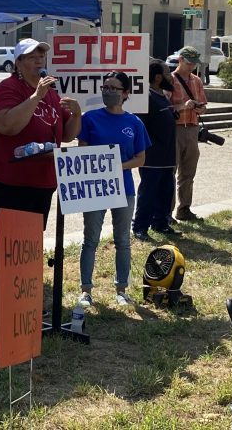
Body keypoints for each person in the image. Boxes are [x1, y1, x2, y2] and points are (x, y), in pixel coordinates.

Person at [0, 38, 82, 230]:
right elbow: (6, 126)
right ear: (18, 62)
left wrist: (77, 115)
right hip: (10, 181)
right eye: (31, 57)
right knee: (13, 242)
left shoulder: (50, 93)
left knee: (32, 243)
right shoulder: (8, 89)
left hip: (42, 182)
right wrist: (36, 97)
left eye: (41, 56)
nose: (39, 61)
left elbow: (67, 136)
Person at [77, 72, 150, 308]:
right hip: (95, 188)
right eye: (105, 87)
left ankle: (121, 289)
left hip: (124, 188)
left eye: (114, 88)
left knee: (123, 240)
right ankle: (86, 290)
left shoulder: (134, 123)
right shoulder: (90, 119)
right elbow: (83, 151)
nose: (108, 91)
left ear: (125, 93)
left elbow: (140, 159)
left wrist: (117, 165)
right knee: (90, 240)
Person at [132, 61, 180, 240]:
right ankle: (140, 227)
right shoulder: (146, 97)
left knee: (165, 192)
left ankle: (160, 223)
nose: (171, 77)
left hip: (168, 157)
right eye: (168, 74)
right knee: (148, 193)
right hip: (153, 158)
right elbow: (140, 126)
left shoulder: (162, 96)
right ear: (158, 77)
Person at [169, 46, 208, 222]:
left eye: (194, 63)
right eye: (189, 62)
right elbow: (164, 108)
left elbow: (204, 107)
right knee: (170, 171)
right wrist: (184, 106)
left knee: (188, 172)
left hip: (192, 128)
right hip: (175, 128)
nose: (192, 66)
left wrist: (200, 108)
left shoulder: (197, 81)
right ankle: (166, 212)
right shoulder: (169, 80)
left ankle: (184, 209)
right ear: (180, 60)